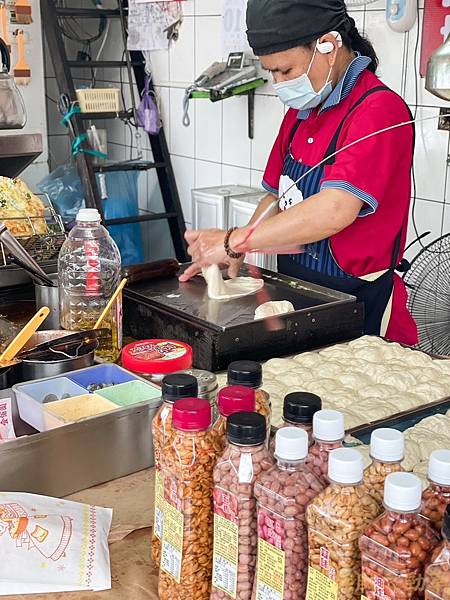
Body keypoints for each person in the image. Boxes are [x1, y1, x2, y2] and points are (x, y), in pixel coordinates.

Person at [180, 0, 417, 345]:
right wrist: (238, 245)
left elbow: (334, 209)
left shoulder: (379, 111)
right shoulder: (302, 111)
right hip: (300, 295)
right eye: (271, 73)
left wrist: (234, 240)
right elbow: (276, 195)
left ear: (329, 46)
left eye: (286, 71)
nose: (278, 84)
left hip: (359, 303)